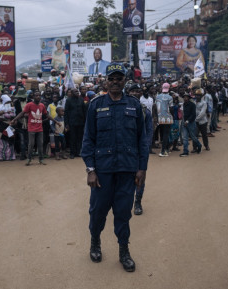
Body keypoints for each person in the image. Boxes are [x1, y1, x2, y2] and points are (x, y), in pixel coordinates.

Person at [81, 63, 149, 272]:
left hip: (127, 170)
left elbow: (142, 140)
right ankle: (95, 242)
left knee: (123, 213)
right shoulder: (96, 105)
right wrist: (90, 170)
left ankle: (124, 251)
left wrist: (142, 168)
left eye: (119, 78)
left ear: (125, 80)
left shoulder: (135, 106)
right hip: (102, 172)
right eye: (112, 78)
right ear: (106, 81)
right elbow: (88, 139)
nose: (115, 82)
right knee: (98, 212)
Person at [12, 91, 59, 166]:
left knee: (40, 144)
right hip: (31, 128)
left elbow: (47, 115)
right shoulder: (29, 105)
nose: (38, 97)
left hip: (40, 128)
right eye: (36, 95)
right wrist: (15, 119)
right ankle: (29, 159)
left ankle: (41, 159)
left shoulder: (42, 105)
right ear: (33, 97)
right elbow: (22, 113)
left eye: (39, 95)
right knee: (31, 144)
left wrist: (55, 121)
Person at [128, 84, 152, 216]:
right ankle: (125, 202)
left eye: (138, 91)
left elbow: (149, 131)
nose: (135, 93)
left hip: (140, 150)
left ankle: (137, 202)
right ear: (128, 92)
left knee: (140, 177)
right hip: (125, 150)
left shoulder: (144, 111)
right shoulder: (121, 108)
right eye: (133, 91)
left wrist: (145, 148)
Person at [64, 88, 86, 159]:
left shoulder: (81, 100)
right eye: (75, 92)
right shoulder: (68, 100)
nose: (77, 92)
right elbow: (66, 113)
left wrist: (85, 122)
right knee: (72, 138)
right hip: (72, 123)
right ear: (72, 93)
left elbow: (84, 111)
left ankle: (78, 152)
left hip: (81, 122)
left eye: (77, 91)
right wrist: (66, 123)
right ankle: (72, 153)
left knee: (79, 138)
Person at [156, 83, 173, 157]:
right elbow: (171, 108)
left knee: (162, 134)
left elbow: (155, 106)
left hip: (160, 117)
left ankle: (165, 149)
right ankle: (163, 151)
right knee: (166, 134)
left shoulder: (157, 96)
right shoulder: (170, 97)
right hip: (168, 117)